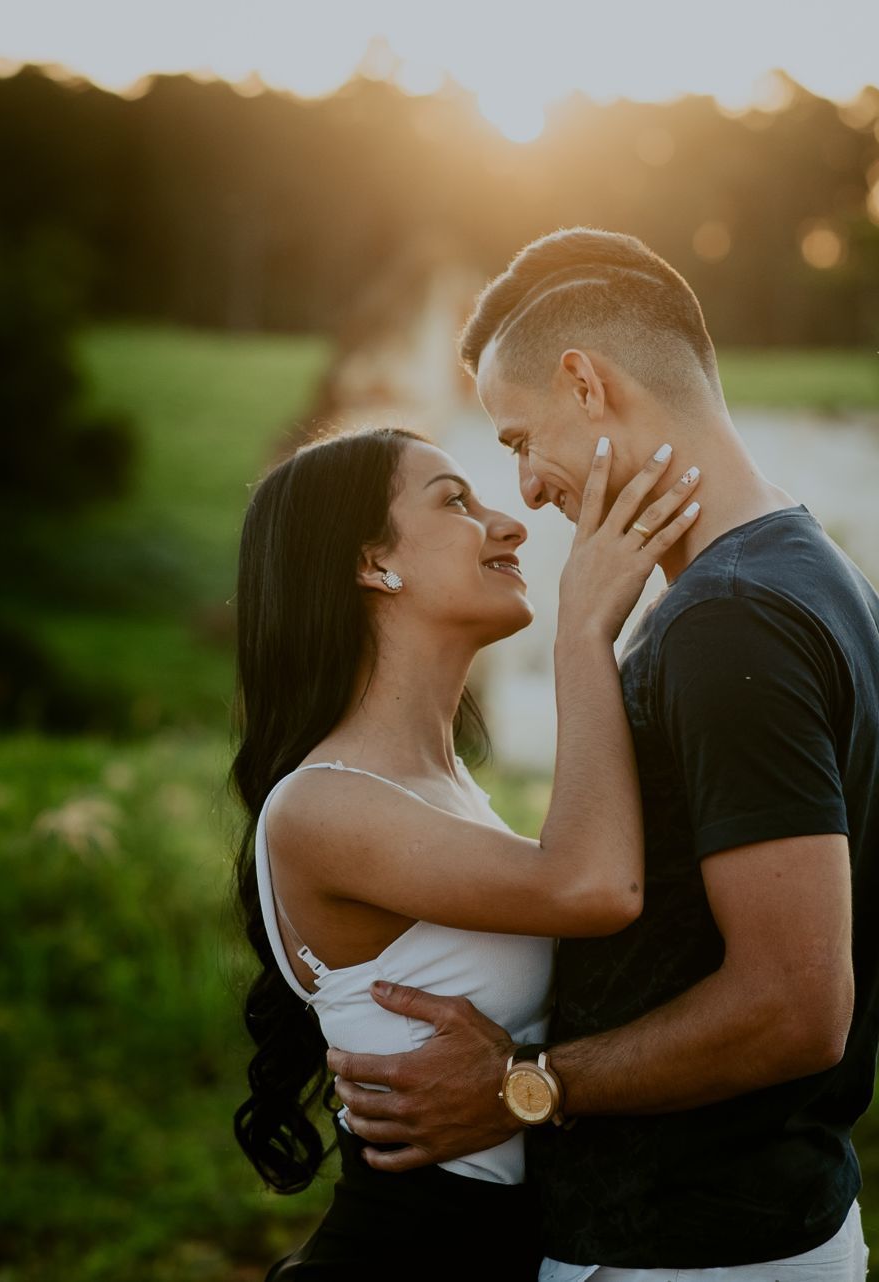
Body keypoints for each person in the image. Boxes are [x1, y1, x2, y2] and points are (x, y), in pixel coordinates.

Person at [324, 228, 879, 1280]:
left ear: (585, 382)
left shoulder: (730, 618)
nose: (529, 490)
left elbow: (795, 1002)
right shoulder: (808, 573)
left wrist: (523, 1081)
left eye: (517, 441)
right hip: (754, 1233)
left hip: (689, 1252)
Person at [230, 422, 703, 1279]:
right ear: (372, 564)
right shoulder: (321, 804)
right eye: (456, 501)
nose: (511, 523)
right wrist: (581, 631)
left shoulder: (446, 792)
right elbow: (596, 886)